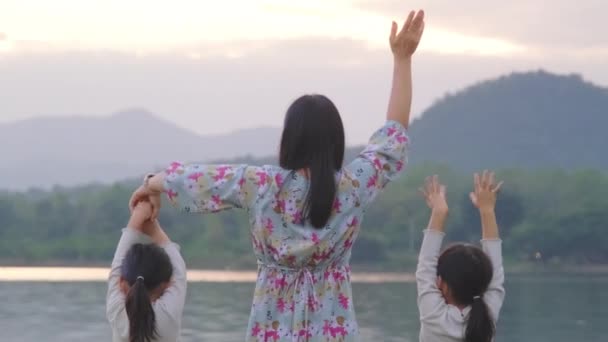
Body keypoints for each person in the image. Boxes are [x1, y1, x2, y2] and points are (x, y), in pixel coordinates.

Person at [129, 10, 425, 341]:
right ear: (336, 139)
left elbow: (198, 179)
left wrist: (151, 183)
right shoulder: (354, 186)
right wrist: (402, 60)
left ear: (289, 138)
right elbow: (393, 137)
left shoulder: (261, 184)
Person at [416, 172, 506, 342]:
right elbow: (426, 267)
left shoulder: (433, 316)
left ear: (441, 283)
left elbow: (426, 264)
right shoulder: (487, 316)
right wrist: (487, 210)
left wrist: (439, 211)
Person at [107, 197, 187, 342]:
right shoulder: (168, 313)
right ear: (167, 285)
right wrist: (154, 229)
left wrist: (137, 216)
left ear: (122, 283)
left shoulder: (117, 312)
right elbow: (179, 269)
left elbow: (116, 266)